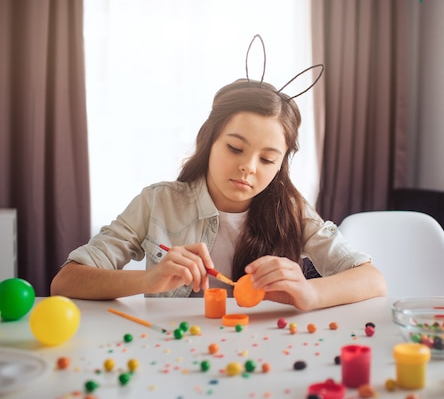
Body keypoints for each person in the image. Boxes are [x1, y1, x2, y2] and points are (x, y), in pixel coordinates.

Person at [50, 71, 387, 311]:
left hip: (266, 353)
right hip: (173, 355)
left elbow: (372, 280)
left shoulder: (292, 209)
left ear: (281, 164)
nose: (249, 168)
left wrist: (309, 293)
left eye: (268, 159)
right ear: (209, 140)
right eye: (235, 148)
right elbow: (66, 282)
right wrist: (148, 280)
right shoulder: (157, 202)